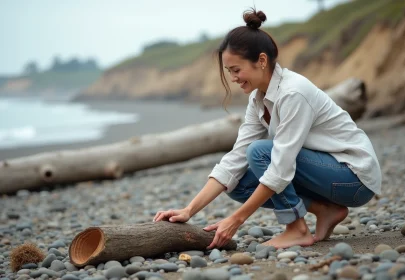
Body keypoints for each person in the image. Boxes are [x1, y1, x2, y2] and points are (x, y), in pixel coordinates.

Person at [153, 9, 381, 249]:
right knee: (239, 182)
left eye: (236, 69)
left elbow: (280, 167)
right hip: (327, 176)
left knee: (260, 153)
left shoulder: (293, 93)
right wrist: (188, 210)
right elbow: (235, 160)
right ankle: (325, 211)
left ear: (261, 61)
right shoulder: (258, 99)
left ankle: (296, 229)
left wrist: (236, 219)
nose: (233, 78)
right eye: (229, 71)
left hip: (354, 178)